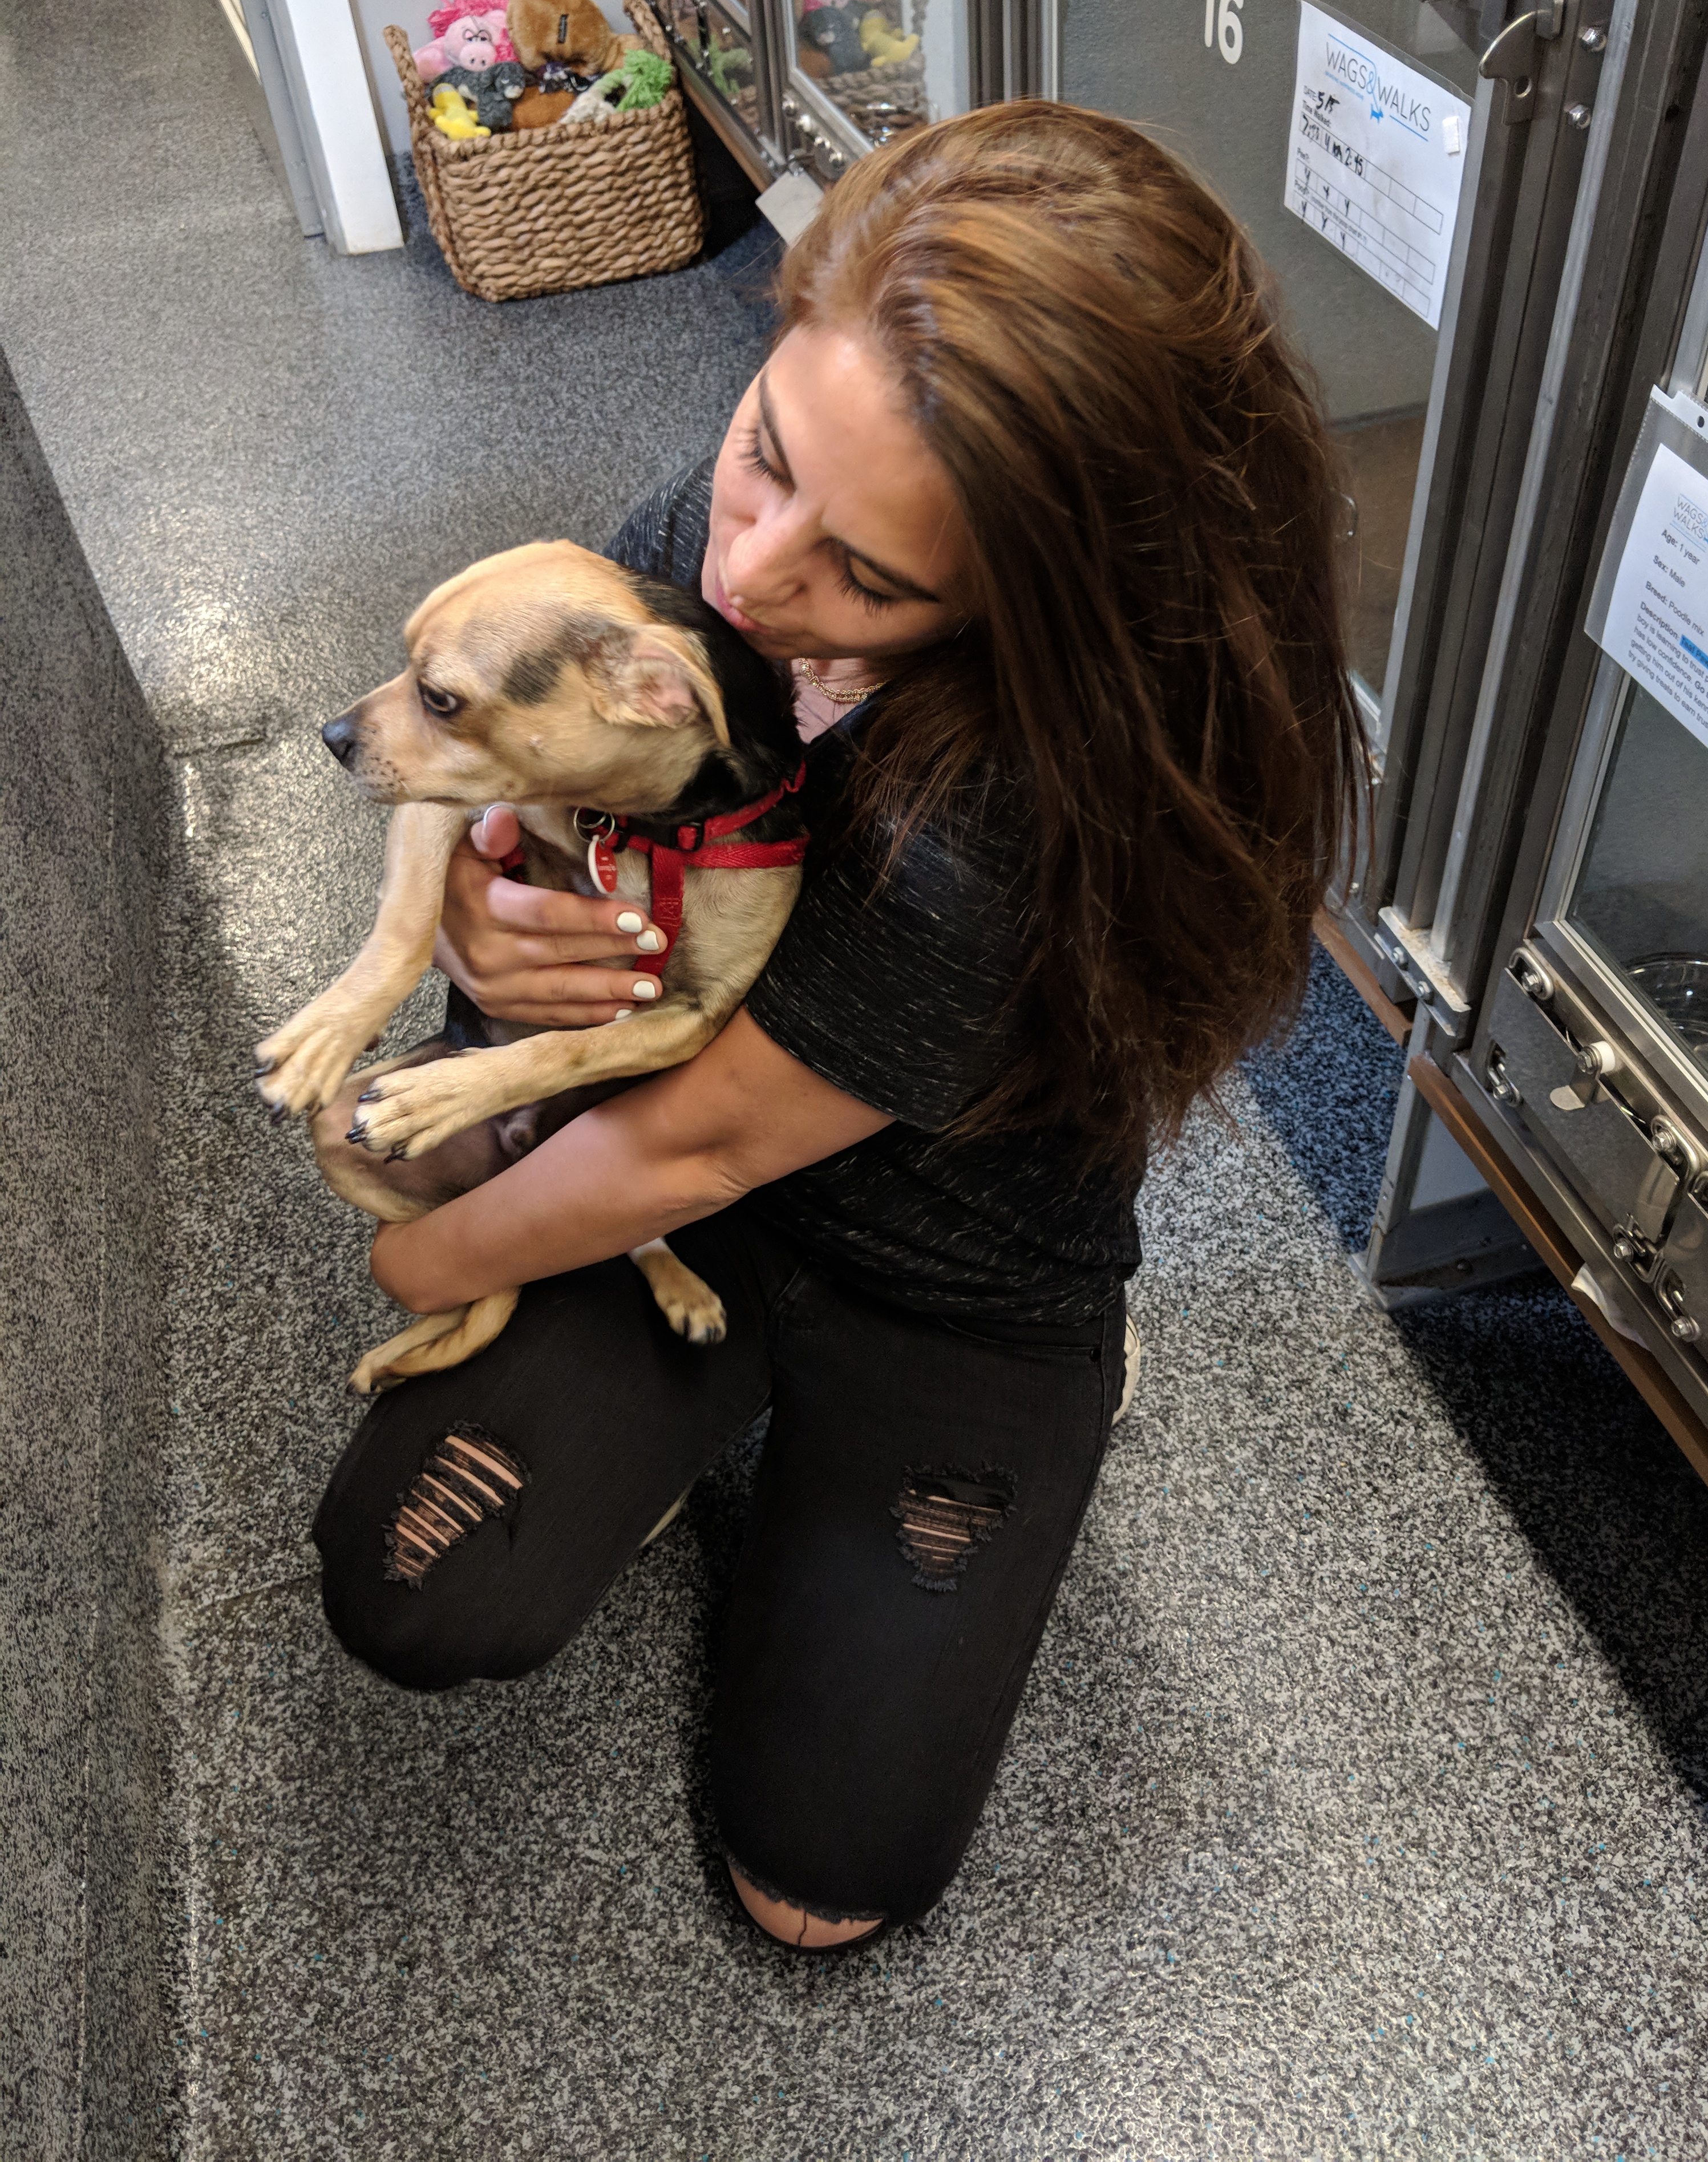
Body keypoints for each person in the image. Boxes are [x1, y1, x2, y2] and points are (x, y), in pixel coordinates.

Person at [311, 103, 1366, 1952]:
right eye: (762, 452)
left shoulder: (1018, 815)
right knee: (410, 1588)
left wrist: (428, 1255)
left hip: (937, 1264)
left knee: (822, 1888)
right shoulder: (732, 554)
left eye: (866, 579)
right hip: (674, 1193)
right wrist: (484, 898)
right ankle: (697, 1421)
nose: (745, 580)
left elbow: (704, 1131)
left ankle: (972, 1430)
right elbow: (500, 759)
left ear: (1039, 607)